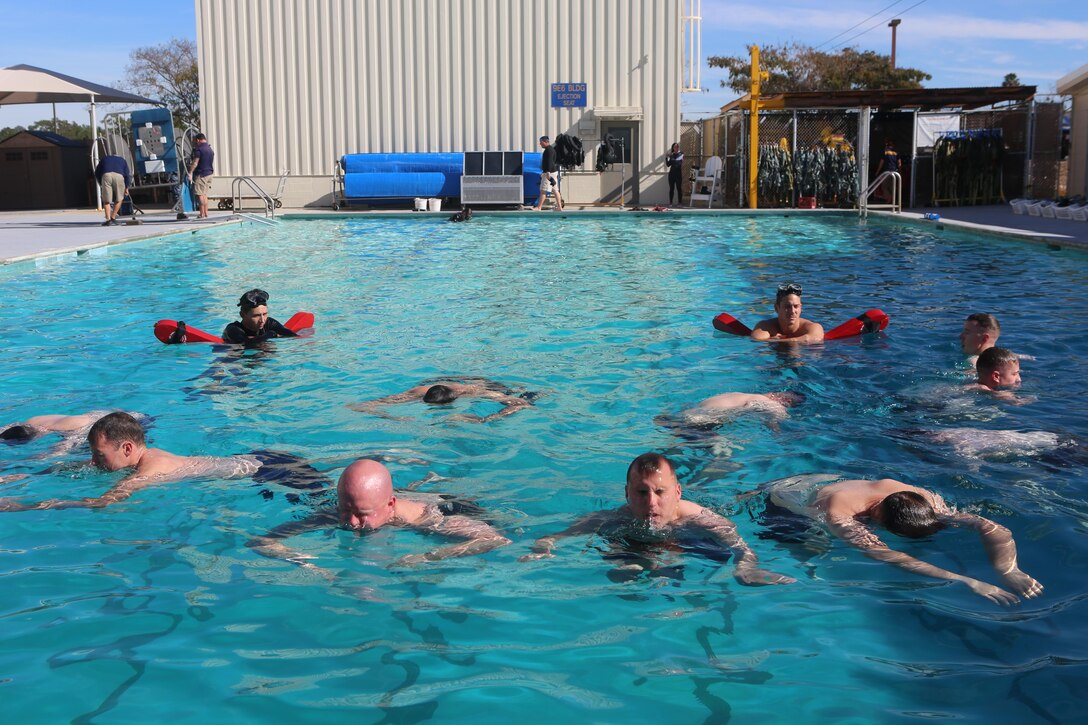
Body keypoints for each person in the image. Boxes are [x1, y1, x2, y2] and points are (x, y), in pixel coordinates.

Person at [520, 453, 795, 586]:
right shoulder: (616, 517)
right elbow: (556, 537)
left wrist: (745, 568)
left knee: (678, 571)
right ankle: (642, 564)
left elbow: (741, 547)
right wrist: (545, 546)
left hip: (690, 541)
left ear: (677, 492)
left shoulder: (701, 519)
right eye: (641, 492)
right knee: (620, 574)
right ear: (627, 493)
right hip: (637, 542)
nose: (651, 502)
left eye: (660, 492)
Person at [764, 475, 1043, 605]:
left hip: (834, 478)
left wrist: (1008, 570)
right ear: (878, 519)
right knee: (811, 546)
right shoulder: (841, 514)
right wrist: (966, 579)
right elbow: (889, 555)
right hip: (790, 492)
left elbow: (994, 528)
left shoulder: (926, 502)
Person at [0, 412, 327, 511]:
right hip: (258, 463)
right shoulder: (138, 459)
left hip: (274, 472)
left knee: (331, 510)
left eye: (100, 455)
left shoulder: (150, 469)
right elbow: (79, 469)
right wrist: (21, 477)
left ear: (127, 448)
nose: (93, 461)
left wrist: (25, 507)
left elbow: (101, 503)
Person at [247, 458, 510, 571]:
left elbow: (494, 539)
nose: (351, 522)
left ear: (390, 505)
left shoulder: (431, 520)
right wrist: (305, 562)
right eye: (345, 510)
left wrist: (427, 557)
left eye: (361, 514)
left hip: (442, 504)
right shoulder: (338, 514)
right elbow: (260, 542)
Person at [349, 377, 535, 423]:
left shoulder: (471, 392)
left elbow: (521, 404)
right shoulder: (416, 393)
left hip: (476, 382)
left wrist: (486, 420)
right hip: (438, 382)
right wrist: (393, 418)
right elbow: (362, 406)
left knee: (523, 396)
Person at [656, 391, 804, 438]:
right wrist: (779, 432)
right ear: (786, 401)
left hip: (686, 414)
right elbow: (775, 421)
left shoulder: (737, 394)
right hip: (700, 420)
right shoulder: (771, 403)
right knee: (724, 455)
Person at [1, 411, 148, 458]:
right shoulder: (33, 421)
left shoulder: (73, 431)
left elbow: (58, 452)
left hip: (138, 420)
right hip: (108, 413)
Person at [750, 283, 825, 343]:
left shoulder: (813, 327)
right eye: (787, 307)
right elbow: (756, 339)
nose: (792, 311)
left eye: (796, 306)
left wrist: (777, 341)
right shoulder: (764, 326)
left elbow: (815, 339)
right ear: (777, 308)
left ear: (800, 308)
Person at [221, 289, 299, 344]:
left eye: (265, 314)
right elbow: (245, 344)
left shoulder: (269, 323)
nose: (262, 320)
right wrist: (270, 335)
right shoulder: (233, 329)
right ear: (243, 315)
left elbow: (292, 335)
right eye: (256, 316)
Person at [93, 154, 131, 226]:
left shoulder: (104, 159)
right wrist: (126, 187)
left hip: (106, 175)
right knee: (119, 198)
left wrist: (101, 183)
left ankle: (108, 220)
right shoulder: (122, 160)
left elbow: (97, 172)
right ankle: (113, 218)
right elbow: (127, 175)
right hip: (119, 175)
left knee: (106, 200)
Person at [187, 132, 215, 219]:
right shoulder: (210, 149)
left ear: (198, 140)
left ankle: (201, 214)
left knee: (200, 194)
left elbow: (195, 163)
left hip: (201, 174)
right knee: (205, 194)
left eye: (196, 141)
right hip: (209, 173)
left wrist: (190, 172)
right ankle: (206, 213)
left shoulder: (199, 150)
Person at [532, 135, 564, 211]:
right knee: (555, 190)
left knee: (543, 190)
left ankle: (539, 207)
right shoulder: (551, 150)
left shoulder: (548, 150)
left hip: (549, 173)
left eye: (541, 142)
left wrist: (547, 172)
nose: (540, 144)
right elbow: (552, 162)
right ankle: (559, 207)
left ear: (545, 142)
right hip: (553, 172)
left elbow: (549, 162)